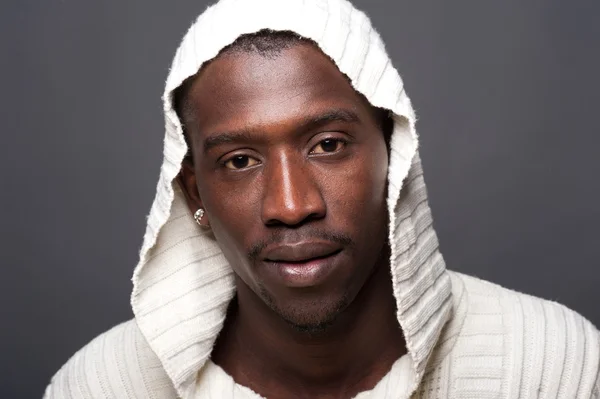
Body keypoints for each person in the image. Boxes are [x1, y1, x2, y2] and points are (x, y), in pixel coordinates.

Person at [44, 0, 600, 398]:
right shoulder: (98, 386)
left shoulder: (550, 365)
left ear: (393, 155)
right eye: (240, 160)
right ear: (196, 194)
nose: (291, 204)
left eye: (328, 145)